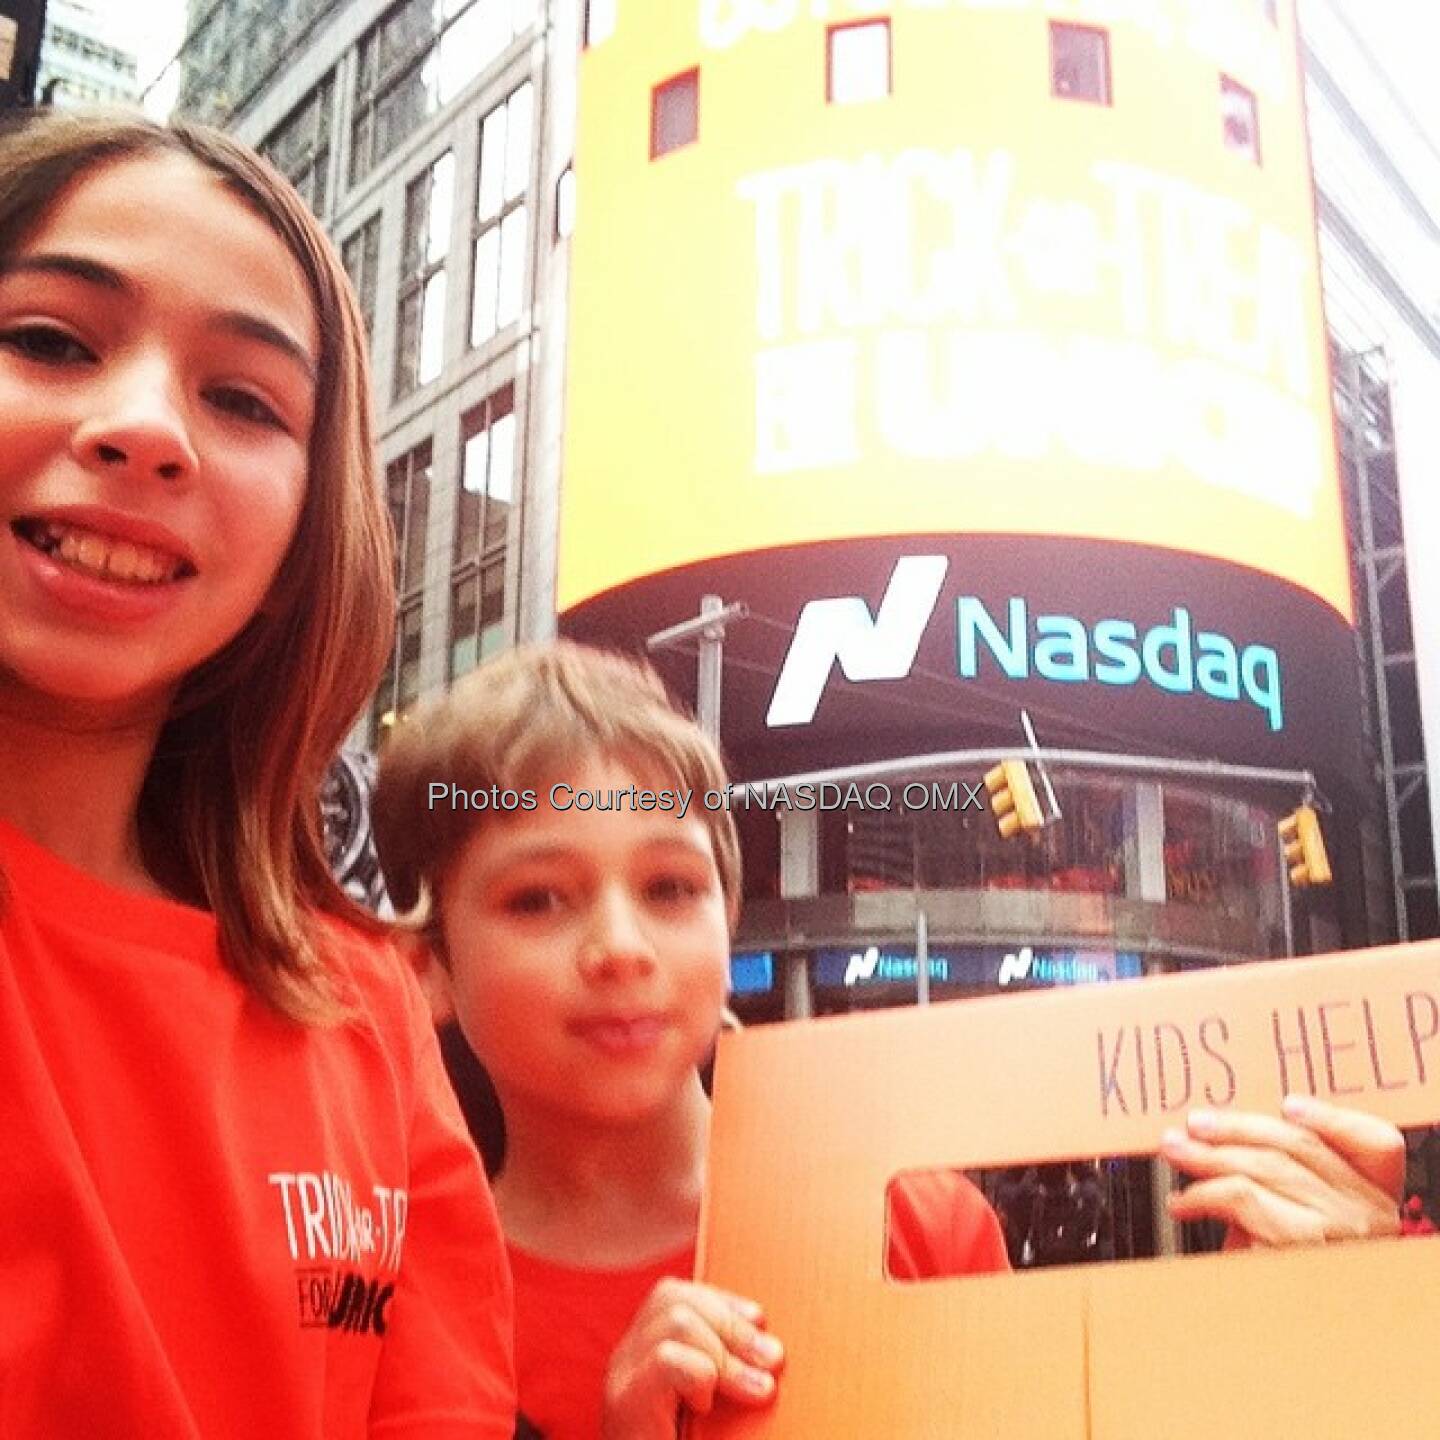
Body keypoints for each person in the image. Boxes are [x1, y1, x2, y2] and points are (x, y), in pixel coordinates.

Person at [373, 639, 1405, 1440]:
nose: (618, 946)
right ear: (424, 965)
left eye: (668, 887)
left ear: (726, 911)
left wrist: (1321, 1320)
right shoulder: (381, 1298)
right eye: (538, 898)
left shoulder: (919, 1223)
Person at [0, 111, 513, 1437]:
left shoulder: (369, 1009)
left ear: (306, 535)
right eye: (50, 340)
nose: (143, 430)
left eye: (242, 400)